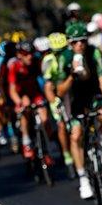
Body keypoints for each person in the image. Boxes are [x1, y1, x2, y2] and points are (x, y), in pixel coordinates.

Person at [57, 22, 102, 200]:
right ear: (69, 44)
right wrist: (72, 75)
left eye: (82, 41)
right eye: (75, 42)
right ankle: (83, 178)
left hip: (93, 93)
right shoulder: (64, 57)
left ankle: (101, 143)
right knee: (76, 134)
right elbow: (60, 91)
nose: (79, 45)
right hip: (75, 98)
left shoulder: (93, 52)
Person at [8, 41, 51, 161]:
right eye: (26, 54)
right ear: (19, 55)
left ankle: (45, 149)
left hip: (35, 94)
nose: (29, 56)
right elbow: (12, 90)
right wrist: (19, 102)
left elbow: (44, 80)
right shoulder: (14, 66)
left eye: (31, 53)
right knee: (25, 112)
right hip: (22, 96)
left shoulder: (35, 62)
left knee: (44, 119)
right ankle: (26, 142)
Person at [42, 32, 76, 178]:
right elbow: (48, 86)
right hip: (58, 94)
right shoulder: (48, 61)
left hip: (73, 92)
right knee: (61, 125)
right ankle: (67, 154)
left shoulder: (71, 55)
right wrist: (53, 101)